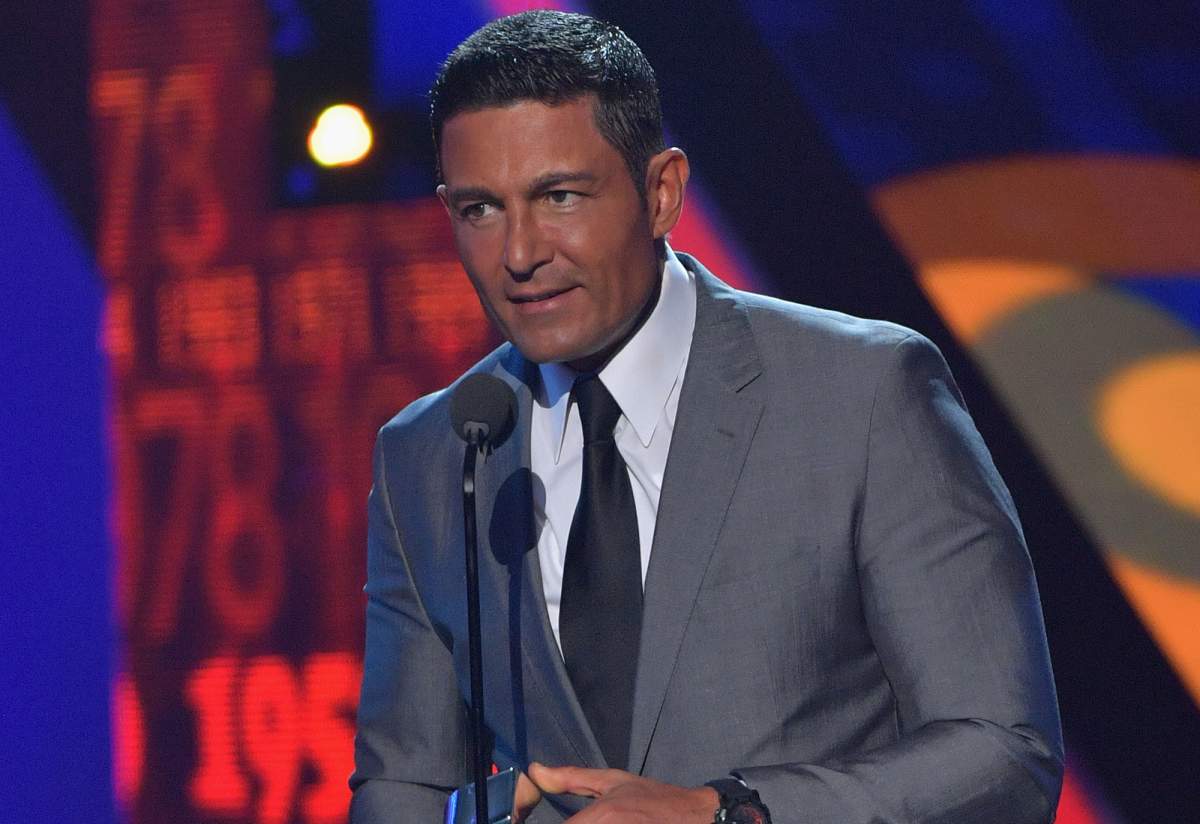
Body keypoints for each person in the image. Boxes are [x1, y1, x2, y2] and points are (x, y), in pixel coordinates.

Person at [349, 10, 1063, 824]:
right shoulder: (432, 455)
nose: (519, 253)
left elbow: (1003, 753)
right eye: (481, 210)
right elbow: (401, 786)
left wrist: (726, 813)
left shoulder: (863, 393)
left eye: (560, 196)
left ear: (661, 193)